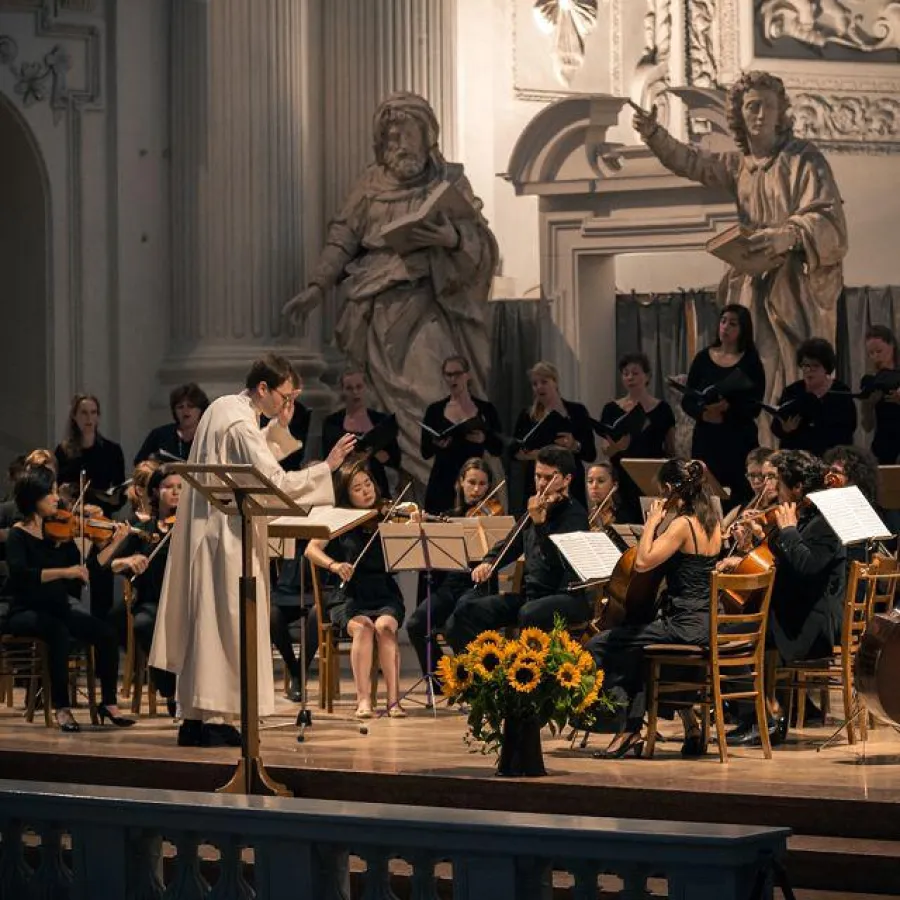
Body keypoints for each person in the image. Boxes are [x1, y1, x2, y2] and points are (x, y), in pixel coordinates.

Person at [282, 92, 499, 486]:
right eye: (391, 137)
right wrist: (317, 285)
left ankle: (448, 488)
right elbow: (343, 236)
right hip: (375, 313)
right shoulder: (370, 184)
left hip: (427, 305)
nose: (398, 145)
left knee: (430, 393)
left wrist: (452, 239)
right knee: (382, 407)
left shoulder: (449, 180)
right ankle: (395, 492)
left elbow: (481, 244)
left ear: (426, 134)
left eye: (406, 135)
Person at [149, 354, 356, 748]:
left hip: (207, 533)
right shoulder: (241, 421)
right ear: (264, 388)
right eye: (285, 395)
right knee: (227, 625)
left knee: (207, 625)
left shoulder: (222, 407)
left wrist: (278, 428)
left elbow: (244, 461)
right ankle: (218, 717)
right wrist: (326, 467)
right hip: (229, 536)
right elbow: (273, 482)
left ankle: (194, 718)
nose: (287, 404)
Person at [633, 70, 848, 407]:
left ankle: (793, 444)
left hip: (793, 285)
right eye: (751, 107)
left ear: (781, 114)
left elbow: (829, 219)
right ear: (739, 114)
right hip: (753, 279)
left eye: (767, 106)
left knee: (793, 366)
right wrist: (654, 134)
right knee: (756, 368)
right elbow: (691, 162)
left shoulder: (804, 159)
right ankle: (760, 448)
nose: (759, 114)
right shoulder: (739, 166)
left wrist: (789, 236)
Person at [587, 459, 722, 759]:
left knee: (601, 645)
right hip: (704, 625)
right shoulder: (713, 521)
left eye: (663, 490)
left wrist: (651, 523)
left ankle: (623, 725)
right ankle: (650, 727)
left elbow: (644, 561)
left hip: (683, 626)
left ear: (672, 489)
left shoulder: (682, 525)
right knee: (639, 650)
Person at [724, 450, 846, 747]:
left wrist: (787, 530)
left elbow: (807, 567)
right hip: (794, 613)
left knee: (727, 639)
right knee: (729, 630)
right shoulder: (803, 517)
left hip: (812, 625)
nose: (772, 490)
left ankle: (760, 719)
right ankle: (759, 717)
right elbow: (782, 562)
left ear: (798, 487)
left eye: (777, 482)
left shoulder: (825, 523)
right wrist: (754, 542)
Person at [4, 466, 134, 732]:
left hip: (58, 608)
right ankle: (62, 708)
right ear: (32, 498)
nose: (56, 498)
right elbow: (21, 576)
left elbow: (88, 571)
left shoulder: (59, 533)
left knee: (106, 633)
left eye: (54, 492)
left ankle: (108, 703)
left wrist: (113, 544)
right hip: (25, 611)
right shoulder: (18, 534)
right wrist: (64, 571)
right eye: (48, 493)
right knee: (59, 633)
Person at [444, 446, 590, 650]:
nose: (541, 484)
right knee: (464, 615)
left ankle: (516, 671)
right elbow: (510, 543)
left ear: (566, 480)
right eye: (538, 476)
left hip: (565, 596)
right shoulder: (535, 508)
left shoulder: (575, 516)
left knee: (528, 613)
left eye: (548, 478)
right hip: (531, 595)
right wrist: (489, 563)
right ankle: (485, 675)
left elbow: (556, 562)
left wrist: (540, 526)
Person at [304, 462, 406, 719]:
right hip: (348, 594)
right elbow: (311, 549)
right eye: (357, 488)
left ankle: (393, 702)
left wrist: (411, 523)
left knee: (384, 627)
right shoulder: (340, 518)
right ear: (347, 495)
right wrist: (335, 565)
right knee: (364, 628)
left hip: (384, 591)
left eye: (368, 484)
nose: (366, 492)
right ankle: (363, 701)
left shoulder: (387, 513)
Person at [406, 457, 498, 679]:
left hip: (479, 586)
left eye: (482, 484)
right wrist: (418, 525)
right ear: (460, 483)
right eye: (471, 482)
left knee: (453, 625)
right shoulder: (448, 517)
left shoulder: (494, 517)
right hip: (451, 587)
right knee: (416, 624)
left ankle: (473, 681)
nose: (476, 490)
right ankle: (442, 681)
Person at [101, 465, 182, 716]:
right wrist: (128, 561)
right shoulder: (143, 531)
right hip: (152, 602)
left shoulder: (188, 529)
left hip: (183, 603)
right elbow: (111, 564)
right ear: (156, 492)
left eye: (181, 487)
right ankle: (170, 689)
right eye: (169, 487)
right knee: (144, 624)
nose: (176, 492)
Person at [682, 305, 766, 509]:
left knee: (739, 494)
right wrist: (704, 413)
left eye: (733, 323)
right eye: (723, 321)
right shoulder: (703, 358)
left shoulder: (750, 361)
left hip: (738, 439)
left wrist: (728, 408)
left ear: (743, 329)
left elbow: (755, 406)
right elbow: (687, 400)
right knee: (704, 493)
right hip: (707, 436)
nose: (726, 327)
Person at [54, 394, 126, 622]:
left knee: (102, 584)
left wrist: (100, 505)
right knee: (71, 584)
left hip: (101, 524)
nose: (89, 418)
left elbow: (119, 494)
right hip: (72, 525)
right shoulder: (63, 452)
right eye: (83, 412)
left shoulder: (112, 451)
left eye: (93, 412)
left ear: (98, 416)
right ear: (74, 417)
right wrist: (78, 508)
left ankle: (100, 636)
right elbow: (59, 494)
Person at [598, 352, 675, 523]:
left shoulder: (662, 409)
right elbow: (605, 449)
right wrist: (617, 447)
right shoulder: (611, 409)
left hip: (653, 475)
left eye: (635, 373)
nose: (630, 377)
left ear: (647, 376)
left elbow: (671, 448)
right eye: (625, 374)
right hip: (622, 475)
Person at [421, 356, 503, 515]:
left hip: (475, 483)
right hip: (442, 481)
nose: (453, 379)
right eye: (448, 374)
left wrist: (483, 439)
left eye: (457, 374)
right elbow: (425, 451)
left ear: (467, 375)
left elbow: (498, 448)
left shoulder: (485, 409)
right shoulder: (435, 410)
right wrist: (437, 444)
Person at [512, 361, 596, 513]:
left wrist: (574, 445)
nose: (539, 387)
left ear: (555, 382)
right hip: (539, 482)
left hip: (570, 482)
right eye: (535, 384)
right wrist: (535, 454)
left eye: (544, 382)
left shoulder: (576, 411)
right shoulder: (527, 416)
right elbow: (515, 452)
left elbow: (591, 453)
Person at [323, 366, 402, 499]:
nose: (355, 392)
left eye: (359, 387)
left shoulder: (380, 420)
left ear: (365, 388)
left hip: (378, 486)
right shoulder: (333, 423)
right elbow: (327, 459)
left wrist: (382, 455)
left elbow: (395, 459)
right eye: (349, 388)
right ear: (342, 391)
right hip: (346, 487)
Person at [770, 338, 856, 457]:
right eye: (805, 365)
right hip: (796, 459)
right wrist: (786, 428)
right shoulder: (792, 391)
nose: (809, 371)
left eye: (815, 366)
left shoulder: (841, 391)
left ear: (826, 368)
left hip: (831, 459)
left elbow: (849, 428)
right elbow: (776, 427)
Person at [133, 383, 210, 464]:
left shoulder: (208, 435)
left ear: (201, 410)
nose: (185, 411)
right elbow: (139, 463)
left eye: (190, 406)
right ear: (174, 411)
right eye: (180, 407)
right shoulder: (159, 434)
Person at [861, 325, 900, 465]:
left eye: (879, 351)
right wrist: (869, 406)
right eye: (871, 353)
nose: (875, 357)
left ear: (892, 346)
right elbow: (867, 426)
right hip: (882, 449)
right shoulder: (870, 381)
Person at [586, 462, 620, 530]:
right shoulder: (588, 515)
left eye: (601, 481)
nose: (594, 486)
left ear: (614, 485)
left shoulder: (621, 515)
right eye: (590, 481)